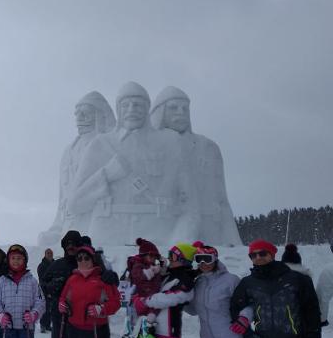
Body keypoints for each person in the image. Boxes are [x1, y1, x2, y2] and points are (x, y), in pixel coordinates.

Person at [70, 82, 199, 245]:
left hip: (158, 238)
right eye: (126, 105)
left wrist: (181, 243)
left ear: (147, 108)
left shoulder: (170, 143)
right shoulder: (100, 145)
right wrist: (106, 175)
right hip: (105, 240)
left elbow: (190, 203)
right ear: (118, 109)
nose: (132, 109)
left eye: (138, 105)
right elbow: (75, 204)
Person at [150, 86, 241, 246]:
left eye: (185, 108)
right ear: (161, 112)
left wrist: (233, 240)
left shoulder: (208, 147)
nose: (181, 112)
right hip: (165, 230)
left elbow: (221, 198)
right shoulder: (149, 148)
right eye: (173, 108)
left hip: (209, 230)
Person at [230, 239, 322, 338]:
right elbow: (234, 309)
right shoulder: (247, 283)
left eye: (262, 253)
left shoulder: (298, 279)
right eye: (253, 255)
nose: (258, 257)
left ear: (272, 255)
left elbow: (312, 310)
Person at [38, 91, 116, 245]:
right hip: (69, 223)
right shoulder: (69, 150)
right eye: (77, 114)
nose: (80, 118)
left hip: (94, 220)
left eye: (85, 113)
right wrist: (57, 226)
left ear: (99, 115)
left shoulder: (107, 145)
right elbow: (63, 197)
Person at [184, 242, 251, 338]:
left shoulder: (231, 280)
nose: (203, 263)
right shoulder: (198, 282)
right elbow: (193, 310)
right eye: (199, 259)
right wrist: (180, 301)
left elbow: (248, 304)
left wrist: (244, 318)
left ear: (215, 259)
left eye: (207, 259)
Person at [133, 243, 197, 338]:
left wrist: (145, 301)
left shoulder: (186, 280)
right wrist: (137, 298)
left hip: (168, 333)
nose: (169, 259)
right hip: (147, 329)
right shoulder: (165, 275)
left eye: (172, 256)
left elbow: (169, 298)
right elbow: (144, 286)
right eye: (169, 255)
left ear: (183, 259)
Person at [58, 245, 121, 338]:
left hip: (96, 331)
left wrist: (101, 309)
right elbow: (64, 298)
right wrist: (62, 304)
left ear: (93, 260)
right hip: (74, 330)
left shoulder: (103, 279)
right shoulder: (72, 279)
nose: (82, 261)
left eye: (86, 258)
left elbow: (115, 303)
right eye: (79, 258)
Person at [127, 237, 166, 338]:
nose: (153, 259)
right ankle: (135, 335)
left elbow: (161, 277)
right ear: (143, 256)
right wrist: (153, 270)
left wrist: (163, 266)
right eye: (151, 256)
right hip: (140, 298)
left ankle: (145, 336)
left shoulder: (153, 267)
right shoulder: (137, 265)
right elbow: (140, 276)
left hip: (149, 296)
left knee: (150, 316)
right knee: (150, 313)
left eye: (155, 257)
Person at [37, 248, 55, 333]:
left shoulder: (55, 264)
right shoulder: (41, 265)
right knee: (45, 308)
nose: (49, 254)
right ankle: (43, 325)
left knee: (51, 309)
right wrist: (47, 290)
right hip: (44, 290)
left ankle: (48, 325)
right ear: (45, 254)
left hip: (53, 289)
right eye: (48, 253)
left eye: (51, 253)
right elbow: (42, 279)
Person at [316, 242, 333, 327]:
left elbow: (322, 297)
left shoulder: (329, 270)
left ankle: (321, 319)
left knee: (322, 296)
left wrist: (321, 319)